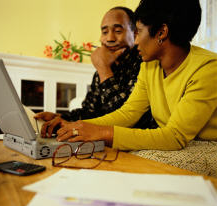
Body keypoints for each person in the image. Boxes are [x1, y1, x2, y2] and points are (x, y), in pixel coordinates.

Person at [37, 0, 217, 152]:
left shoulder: (208, 68)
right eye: (104, 31)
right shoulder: (150, 64)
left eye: (138, 31)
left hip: (205, 146)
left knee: (130, 159)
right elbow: (128, 113)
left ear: (161, 32)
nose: (136, 40)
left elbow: (175, 136)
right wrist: (76, 125)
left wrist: (102, 132)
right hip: (172, 141)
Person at [34, 6, 156, 136]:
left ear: (135, 33)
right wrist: (61, 117)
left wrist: (104, 69)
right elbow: (90, 111)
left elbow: (126, 118)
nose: (109, 38)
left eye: (118, 31)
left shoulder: (144, 63)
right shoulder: (105, 65)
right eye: (104, 32)